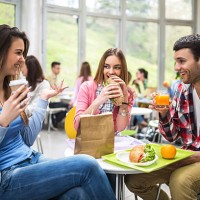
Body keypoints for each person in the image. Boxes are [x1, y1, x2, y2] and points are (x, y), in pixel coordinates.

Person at [0, 24, 116, 200]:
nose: (23, 59)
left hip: (31, 159)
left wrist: (43, 99)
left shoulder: (11, 90)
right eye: (18, 52)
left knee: (78, 194)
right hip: (8, 176)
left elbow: (27, 139)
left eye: (23, 53)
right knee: (87, 164)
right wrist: (3, 121)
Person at [125, 34, 200, 200]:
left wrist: (193, 156)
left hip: (192, 158)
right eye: (175, 62)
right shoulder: (182, 90)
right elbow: (172, 137)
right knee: (134, 179)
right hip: (187, 156)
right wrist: (164, 113)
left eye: (182, 61)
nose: (176, 67)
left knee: (180, 181)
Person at [74, 48, 134, 132]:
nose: (111, 71)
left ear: (122, 70)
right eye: (106, 66)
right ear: (101, 68)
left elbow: (120, 128)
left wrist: (124, 104)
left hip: (113, 140)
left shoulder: (127, 93)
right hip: (89, 139)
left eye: (116, 67)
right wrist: (98, 100)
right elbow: (78, 126)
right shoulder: (86, 87)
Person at [46, 61, 69, 129]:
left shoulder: (55, 77)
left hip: (55, 100)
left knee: (66, 108)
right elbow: (54, 89)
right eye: (57, 68)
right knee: (69, 106)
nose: (59, 70)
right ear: (53, 68)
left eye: (59, 68)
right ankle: (54, 119)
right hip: (52, 101)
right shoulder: (50, 77)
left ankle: (54, 117)